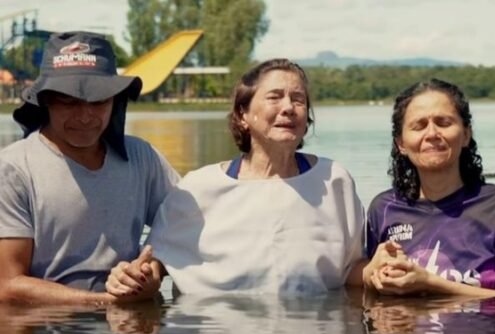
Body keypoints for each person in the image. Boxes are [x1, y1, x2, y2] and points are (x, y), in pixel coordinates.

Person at [107, 59, 395, 296]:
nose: (288, 107)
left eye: (298, 99)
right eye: (274, 97)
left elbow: (352, 270)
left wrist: (380, 271)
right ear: (242, 114)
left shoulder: (334, 181)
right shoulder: (199, 188)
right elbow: (155, 265)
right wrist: (137, 279)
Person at [0, 31, 178, 305]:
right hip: (49, 322)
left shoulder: (143, 157)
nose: (85, 117)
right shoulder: (12, 169)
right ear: (45, 101)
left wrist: (151, 270)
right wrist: (102, 302)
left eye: (98, 101)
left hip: (128, 320)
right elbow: (8, 285)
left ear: (115, 100)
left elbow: (188, 229)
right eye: (68, 102)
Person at [364, 79, 495, 298]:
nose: (432, 134)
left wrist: (430, 283)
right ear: (401, 144)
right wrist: (370, 276)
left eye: (444, 123)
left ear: (466, 134)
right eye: (419, 126)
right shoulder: (384, 209)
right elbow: (370, 294)